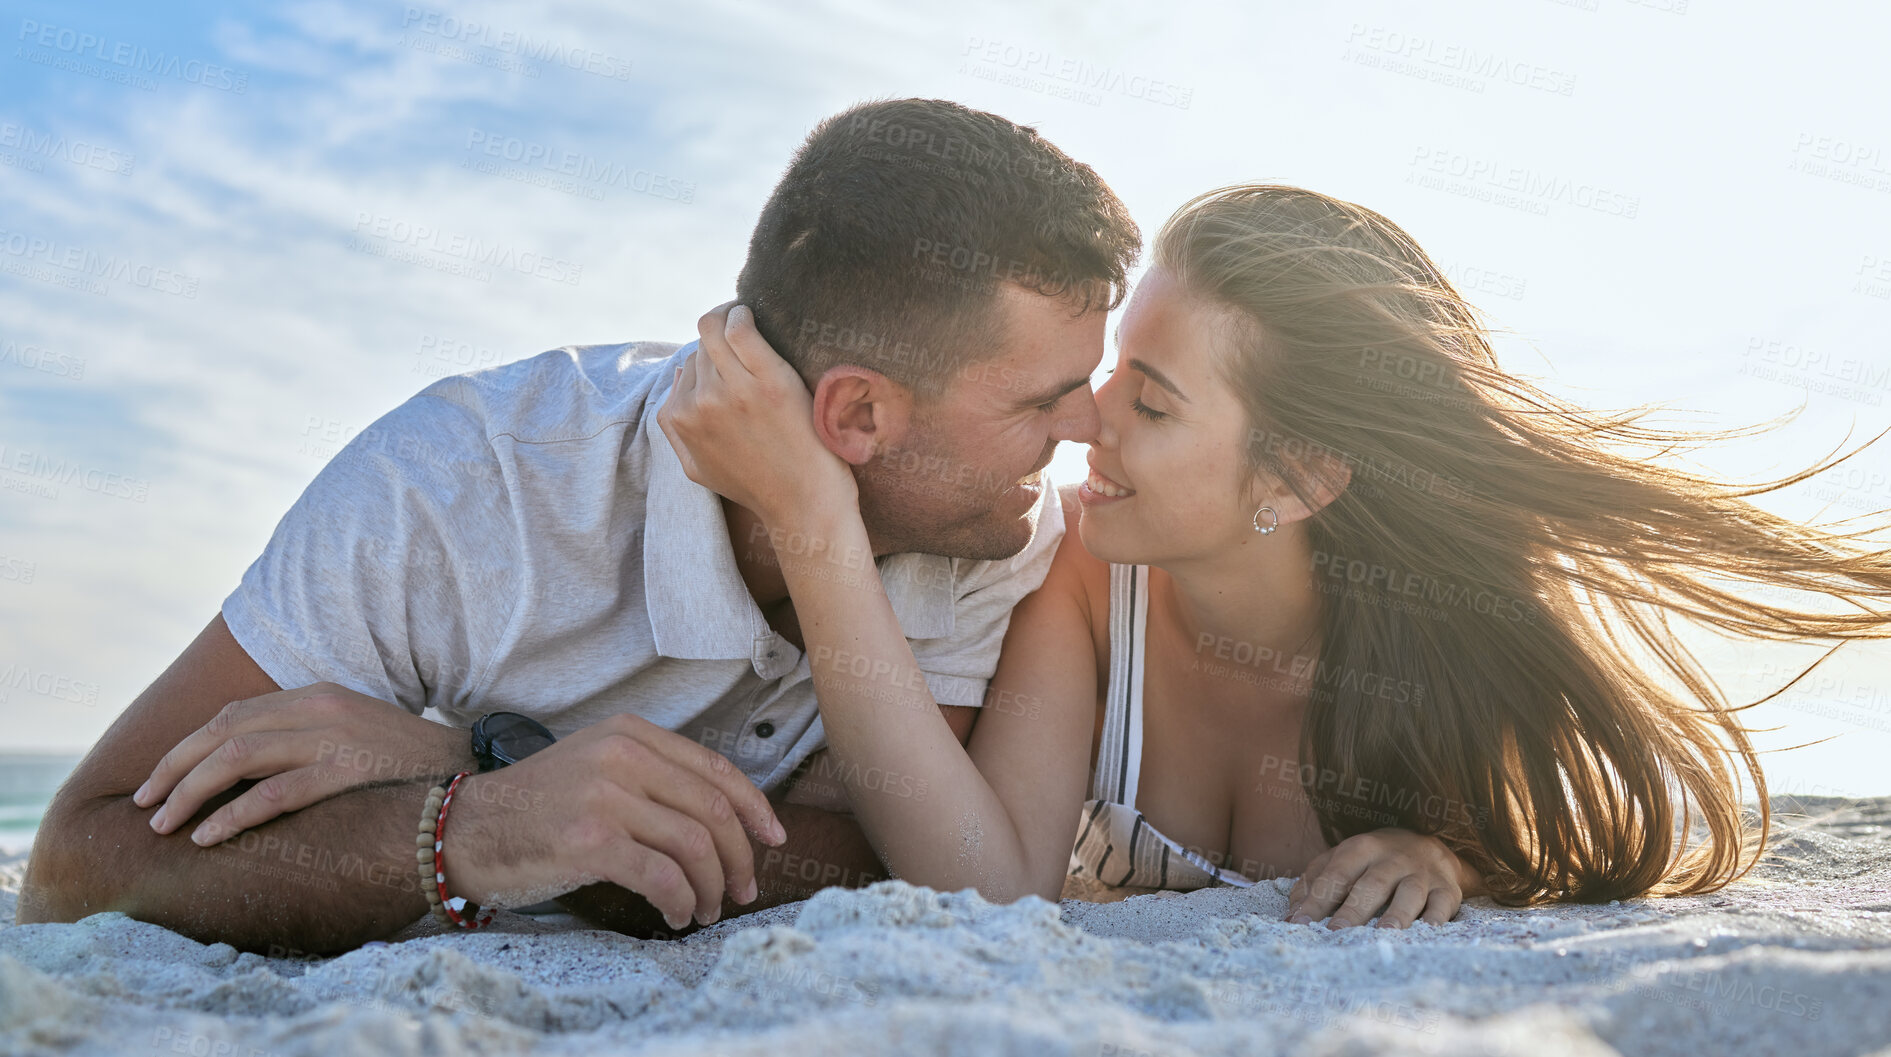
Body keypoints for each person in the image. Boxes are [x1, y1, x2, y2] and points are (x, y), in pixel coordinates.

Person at [16, 97, 1141, 952]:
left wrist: (491, 767)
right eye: (1044, 399)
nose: (1089, 424)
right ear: (856, 413)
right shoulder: (462, 487)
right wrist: (477, 829)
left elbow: (874, 870)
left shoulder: (992, 527)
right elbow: (75, 865)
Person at [660, 183, 1891, 929]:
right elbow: (985, 888)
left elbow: (1580, 844)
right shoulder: (1083, 582)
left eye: (1152, 403)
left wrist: (1443, 855)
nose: (1088, 419)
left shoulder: (1436, 637)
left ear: (1299, 479)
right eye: (1107, 375)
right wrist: (817, 524)